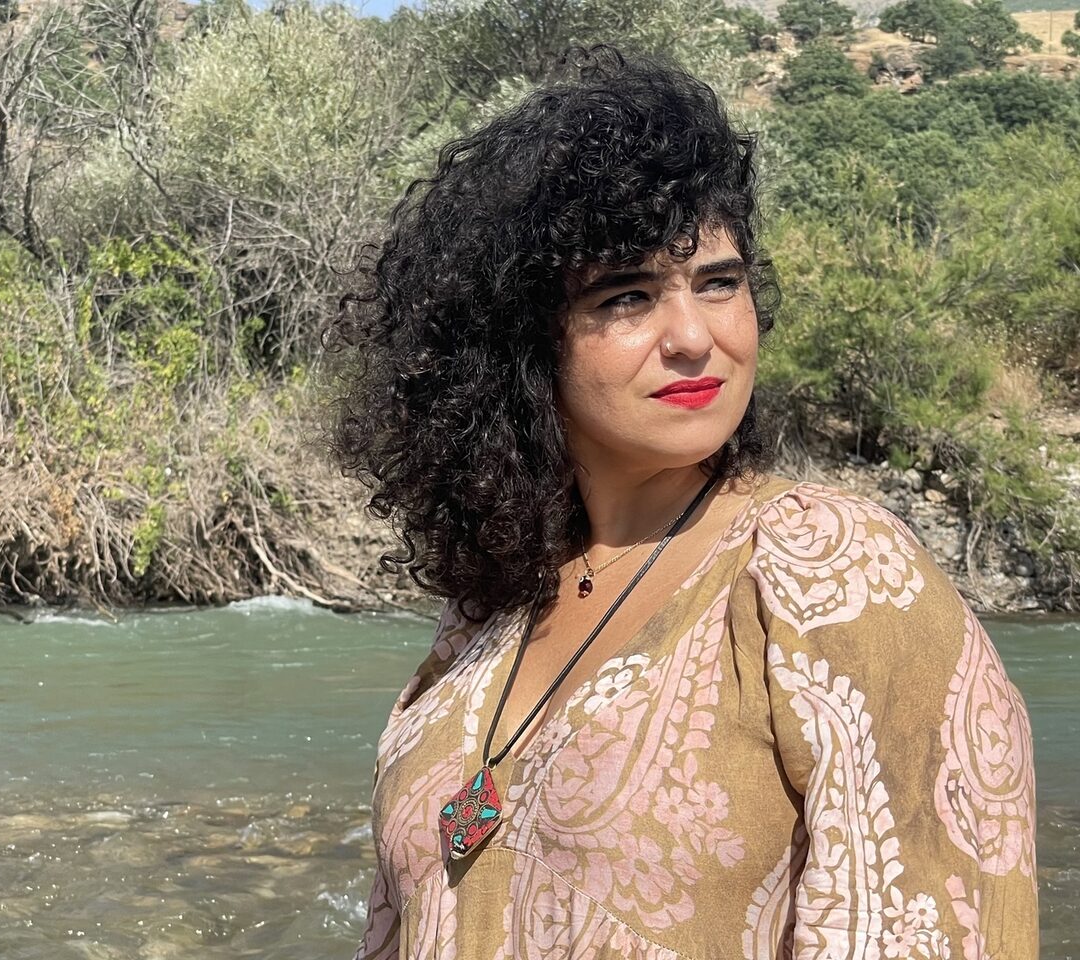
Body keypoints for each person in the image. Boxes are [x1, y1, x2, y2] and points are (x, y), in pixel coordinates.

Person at [323, 43, 1038, 960]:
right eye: (627, 296)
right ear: (521, 343)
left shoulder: (831, 574)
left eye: (718, 283)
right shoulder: (482, 624)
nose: (694, 336)